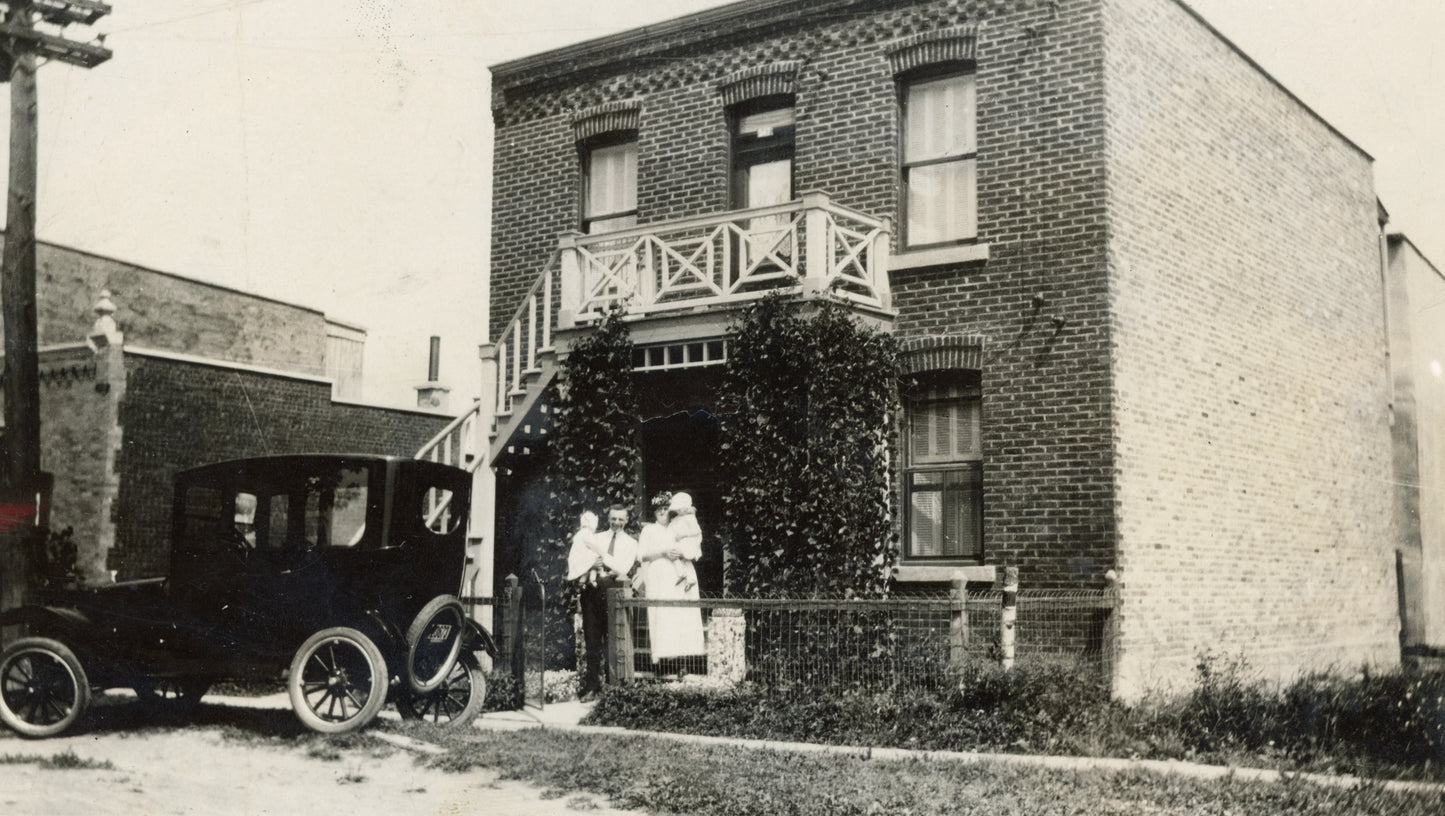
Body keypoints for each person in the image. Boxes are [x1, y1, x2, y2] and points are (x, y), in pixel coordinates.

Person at [566, 505, 637, 701]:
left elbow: (623, 567)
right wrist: (593, 563)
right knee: (592, 642)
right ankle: (592, 687)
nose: (616, 523)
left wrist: (604, 557)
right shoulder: (596, 538)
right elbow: (582, 559)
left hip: (614, 596)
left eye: (620, 519)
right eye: (613, 519)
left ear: (627, 520)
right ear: (608, 518)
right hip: (592, 593)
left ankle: (612, 687)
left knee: (613, 641)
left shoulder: (631, 543)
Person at [637, 491, 705, 666]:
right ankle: (661, 659)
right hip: (659, 576)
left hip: (682, 574)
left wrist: (681, 552)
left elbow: (695, 548)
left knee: (682, 615)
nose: (662, 512)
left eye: (665, 508)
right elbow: (642, 555)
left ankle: (683, 660)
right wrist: (663, 553)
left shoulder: (680, 525)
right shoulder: (649, 530)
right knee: (662, 614)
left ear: (671, 510)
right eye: (658, 509)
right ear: (654, 512)